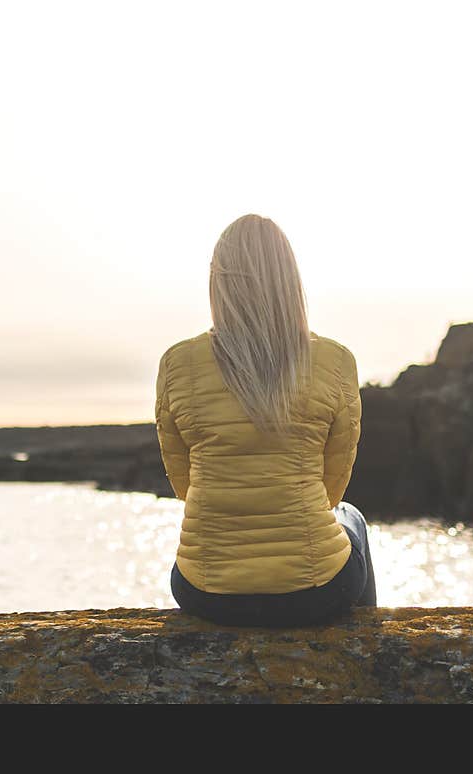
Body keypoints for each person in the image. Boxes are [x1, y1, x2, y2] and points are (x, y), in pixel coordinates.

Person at [155, 213, 377, 627]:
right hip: (316, 591)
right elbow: (333, 485)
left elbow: (183, 482)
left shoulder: (177, 363)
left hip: (204, 592)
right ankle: (366, 657)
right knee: (352, 517)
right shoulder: (335, 361)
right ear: (288, 281)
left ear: (218, 282)